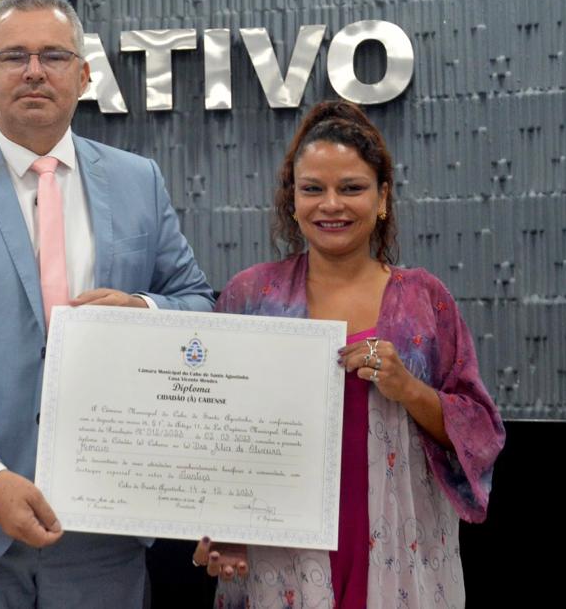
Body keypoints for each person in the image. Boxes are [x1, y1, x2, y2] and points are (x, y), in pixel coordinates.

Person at [0, 0, 214, 608]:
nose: (34, 71)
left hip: (104, 524)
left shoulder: (139, 181)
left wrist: (143, 311)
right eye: (14, 56)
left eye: (54, 55)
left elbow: (196, 302)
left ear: (84, 75)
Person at [192, 101, 504, 609]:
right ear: (292, 201)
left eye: (352, 188)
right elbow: (215, 430)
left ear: (382, 197)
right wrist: (217, 526)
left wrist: (408, 387)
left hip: (400, 542)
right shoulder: (251, 295)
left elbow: (481, 433)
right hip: (282, 547)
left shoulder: (425, 299)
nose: (330, 204)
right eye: (313, 189)